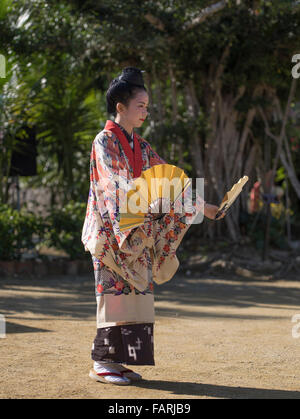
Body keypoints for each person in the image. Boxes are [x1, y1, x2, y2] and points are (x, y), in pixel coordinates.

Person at [81, 67, 225, 386]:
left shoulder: (142, 147)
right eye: (140, 106)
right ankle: (102, 361)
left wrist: (208, 208)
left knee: (137, 295)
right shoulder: (104, 140)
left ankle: (119, 361)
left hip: (138, 231)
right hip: (112, 233)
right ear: (120, 107)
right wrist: (147, 203)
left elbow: (171, 182)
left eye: (147, 106)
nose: (145, 111)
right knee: (113, 295)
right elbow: (113, 184)